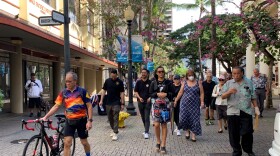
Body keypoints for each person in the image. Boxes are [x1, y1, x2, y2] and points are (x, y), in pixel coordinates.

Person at [41, 71, 93, 156]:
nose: (67, 83)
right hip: (69, 121)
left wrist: (90, 121)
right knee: (67, 143)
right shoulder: (64, 93)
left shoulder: (82, 91)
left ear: (75, 81)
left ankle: (88, 155)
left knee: (84, 142)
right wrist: (45, 117)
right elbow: (56, 106)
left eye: (69, 81)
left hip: (82, 121)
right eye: (66, 81)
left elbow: (89, 106)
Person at [221, 66, 260, 156]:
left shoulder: (249, 82)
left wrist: (256, 107)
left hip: (246, 111)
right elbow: (222, 96)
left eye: (238, 73)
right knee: (233, 133)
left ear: (242, 73)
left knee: (247, 132)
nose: (236, 75)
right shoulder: (229, 83)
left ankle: (248, 150)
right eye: (234, 73)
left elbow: (253, 97)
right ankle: (236, 151)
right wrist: (229, 92)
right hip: (232, 111)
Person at [174, 69, 204, 142]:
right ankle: (187, 131)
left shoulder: (198, 82)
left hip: (195, 104)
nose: (191, 77)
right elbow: (181, 92)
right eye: (189, 75)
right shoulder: (184, 82)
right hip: (184, 104)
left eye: (192, 75)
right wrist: (176, 100)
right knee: (184, 118)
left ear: (194, 75)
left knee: (195, 119)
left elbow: (202, 93)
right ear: (187, 76)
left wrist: (202, 102)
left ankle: (193, 135)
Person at [149, 66, 173, 154]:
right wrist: (157, 94)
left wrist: (166, 94)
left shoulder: (168, 82)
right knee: (156, 124)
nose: (161, 73)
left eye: (162, 71)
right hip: (156, 106)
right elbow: (150, 93)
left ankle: (163, 145)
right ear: (156, 73)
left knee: (164, 125)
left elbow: (173, 93)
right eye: (159, 72)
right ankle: (158, 141)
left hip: (165, 106)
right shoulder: (153, 82)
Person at [99, 69, 125, 141]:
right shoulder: (107, 81)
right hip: (108, 102)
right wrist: (101, 100)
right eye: (111, 75)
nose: (112, 77)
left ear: (116, 74)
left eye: (114, 76)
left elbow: (122, 93)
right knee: (110, 118)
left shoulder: (120, 82)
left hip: (116, 102)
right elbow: (104, 90)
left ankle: (115, 132)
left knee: (115, 117)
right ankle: (114, 129)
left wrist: (122, 103)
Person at [134, 68, 152, 139]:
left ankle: (146, 132)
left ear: (147, 74)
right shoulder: (138, 82)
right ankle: (146, 129)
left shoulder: (150, 82)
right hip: (140, 101)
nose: (143, 74)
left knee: (147, 116)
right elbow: (135, 91)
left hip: (148, 102)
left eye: (144, 72)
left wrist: (150, 97)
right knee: (143, 116)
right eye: (142, 72)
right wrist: (139, 97)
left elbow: (153, 92)